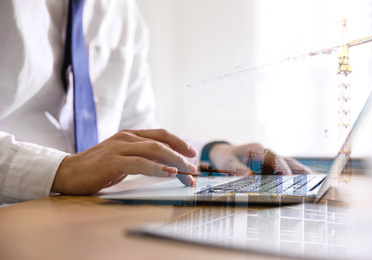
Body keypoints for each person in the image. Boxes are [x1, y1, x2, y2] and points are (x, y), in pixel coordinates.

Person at [0, 0, 312, 205]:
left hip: (87, 216)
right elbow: (83, 165)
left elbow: (135, 133)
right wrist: (63, 170)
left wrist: (211, 154)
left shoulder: (123, 14)